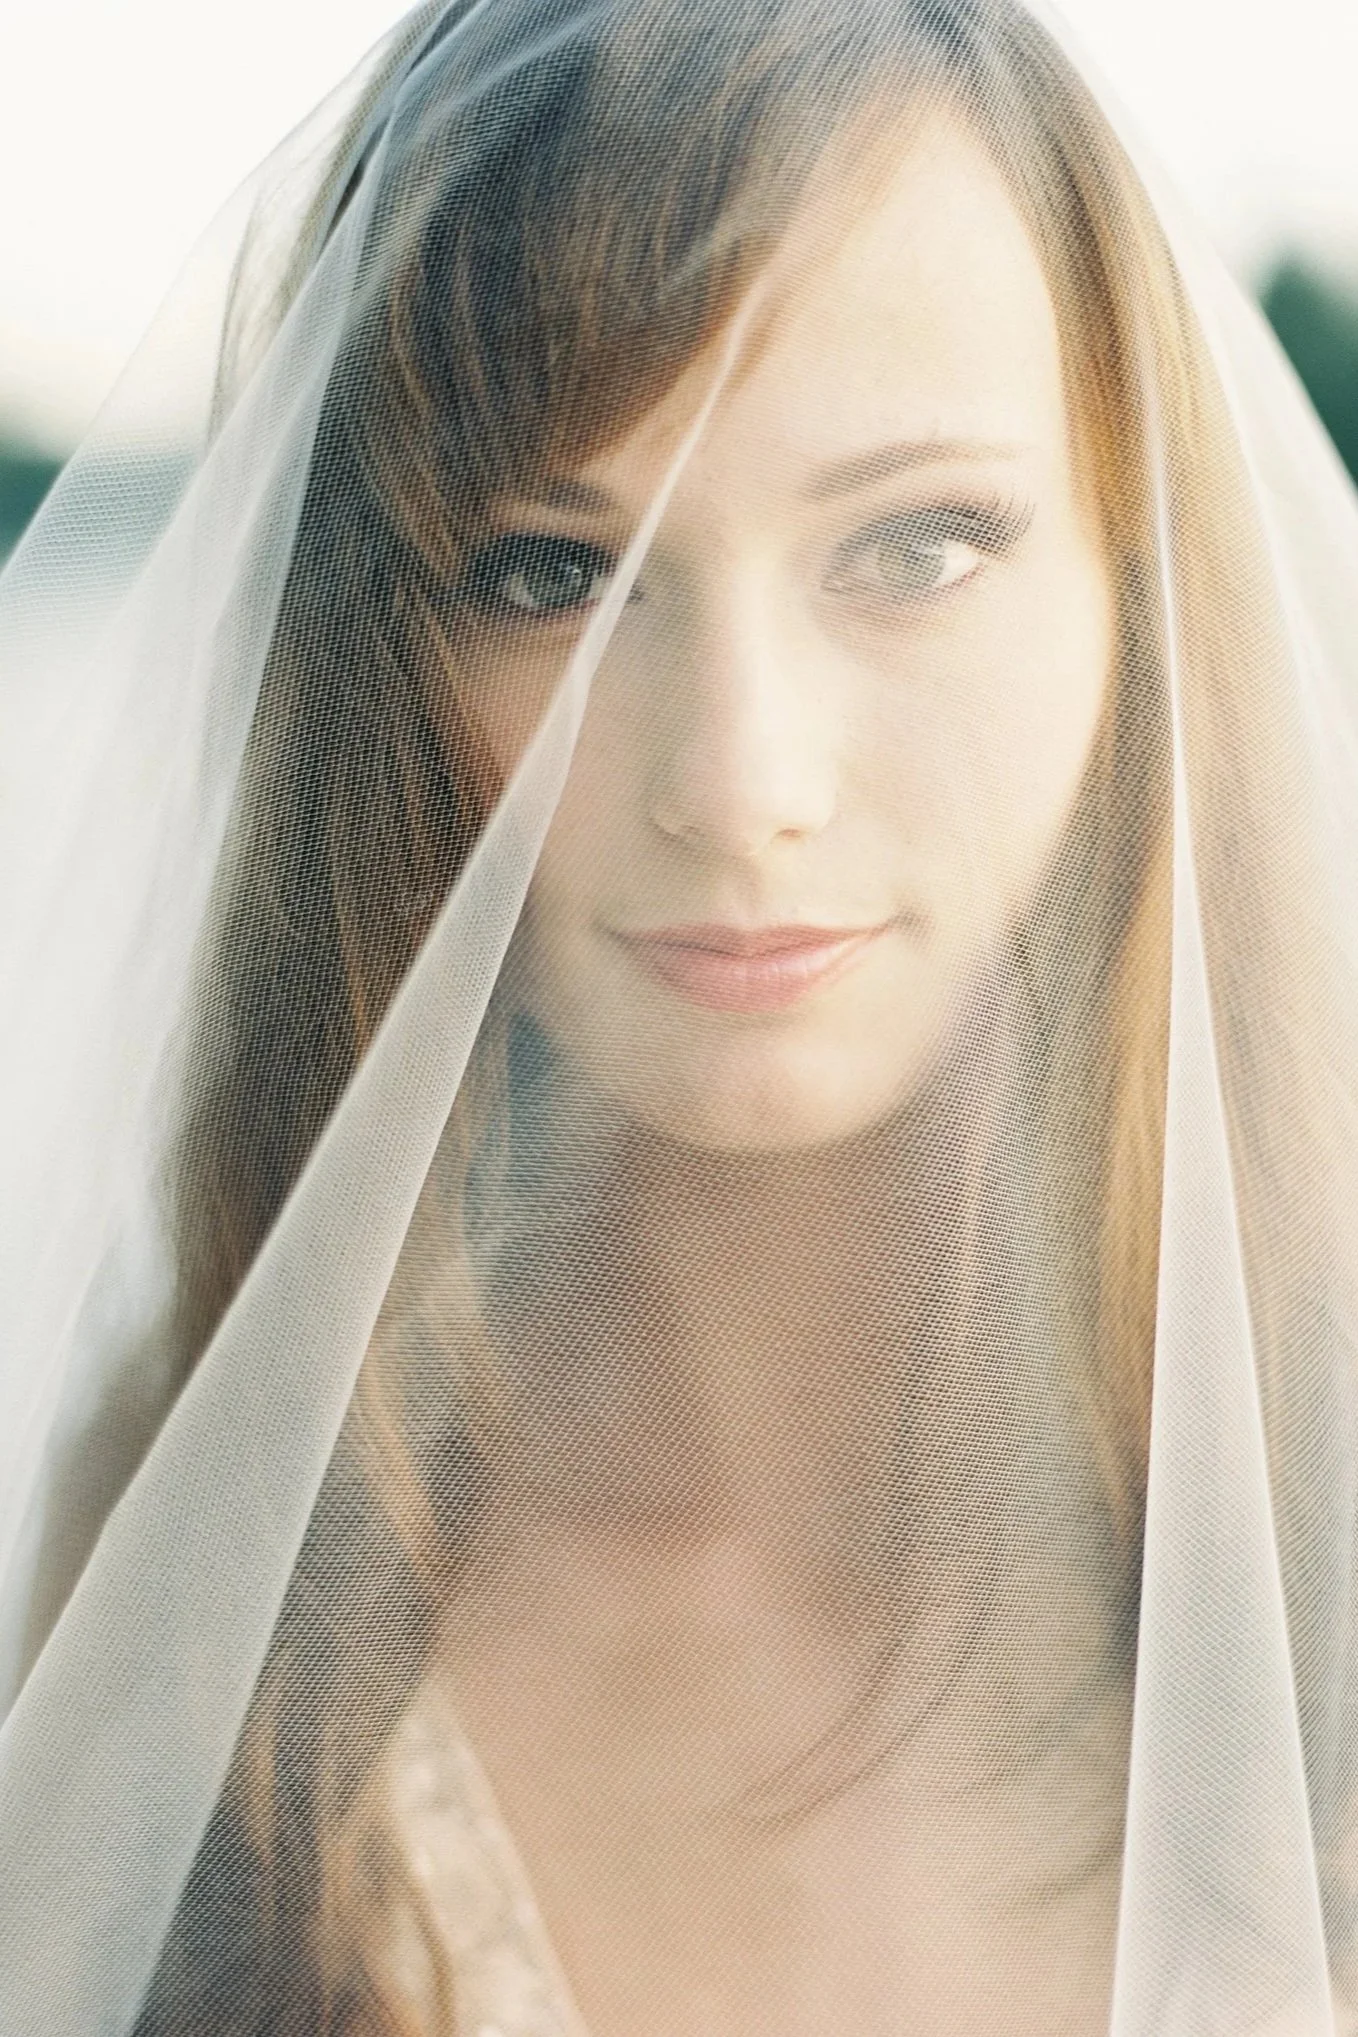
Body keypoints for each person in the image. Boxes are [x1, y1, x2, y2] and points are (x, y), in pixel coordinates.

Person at [2, 1, 1357, 2033]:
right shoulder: (221, 1614)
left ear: (1138, 590)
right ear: (381, 657)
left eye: (914, 546)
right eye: (553, 572)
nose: (738, 775)